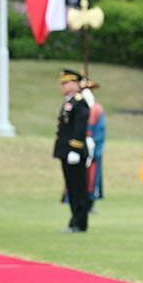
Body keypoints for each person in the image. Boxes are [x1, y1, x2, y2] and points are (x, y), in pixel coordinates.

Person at [54, 69, 90, 232]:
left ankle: (79, 222)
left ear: (76, 84)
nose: (62, 86)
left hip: (74, 152)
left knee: (78, 188)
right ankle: (74, 220)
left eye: (66, 82)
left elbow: (79, 127)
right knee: (71, 187)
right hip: (66, 151)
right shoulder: (69, 101)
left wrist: (75, 149)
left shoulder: (79, 101)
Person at [82, 78, 105, 205]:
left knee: (92, 176)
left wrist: (94, 145)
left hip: (92, 145)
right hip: (80, 144)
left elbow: (100, 130)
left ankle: (90, 200)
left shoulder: (97, 109)